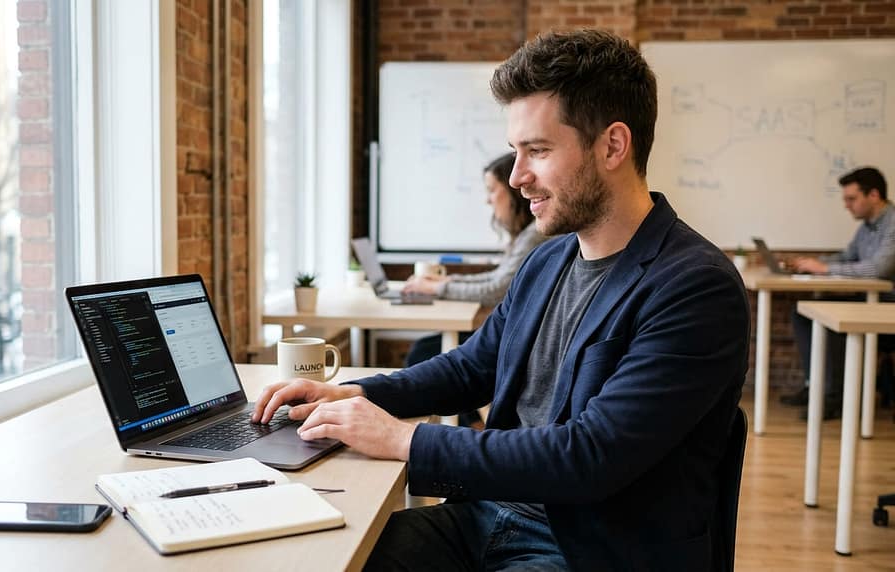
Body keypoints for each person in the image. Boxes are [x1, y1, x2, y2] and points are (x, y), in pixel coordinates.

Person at [253, 30, 749, 570]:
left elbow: (590, 455)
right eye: (517, 152)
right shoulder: (547, 260)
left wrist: (403, 440)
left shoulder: (695, 286)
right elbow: (473, 367)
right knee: (330, 559)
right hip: (489, 514)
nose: (517, 178)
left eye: (537, 151)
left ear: (612, 145)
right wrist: (347, 394)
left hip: (591, 548)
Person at [402, 151, 549, 368]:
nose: (487, 200)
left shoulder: (533, 236)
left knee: (422, 351)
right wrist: (444, 283)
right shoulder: (525, 236)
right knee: (424, 348)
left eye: (491, 190)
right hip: (514, 335)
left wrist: (439, 288)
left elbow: (497, 289)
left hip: (517, 342)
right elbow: (497, 278)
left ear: (513, 192)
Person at [783, 167, 895, 418]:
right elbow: (848, 257)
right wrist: (810, 263)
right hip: (870, 299)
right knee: (805, 313)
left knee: (829, 318)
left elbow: (879, 269)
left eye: (852, 199)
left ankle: (835, 396)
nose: (846, 205)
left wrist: (823, 268)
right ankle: (817, 387)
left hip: (888, 306)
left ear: (874, 195)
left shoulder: (893, 223)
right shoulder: (867, 226)